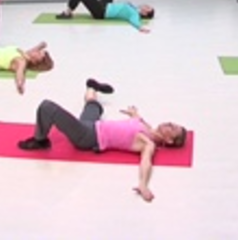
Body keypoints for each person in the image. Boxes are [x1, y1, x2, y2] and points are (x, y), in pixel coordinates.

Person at [18, 78, 188, 203]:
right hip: (93, 125)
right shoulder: (148, 127)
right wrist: (134, 114)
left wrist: (143, 185)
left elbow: (146, 162)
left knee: (47, 107)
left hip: (87, 136)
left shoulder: (148, 142)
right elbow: (137, 119)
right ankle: (93, 87)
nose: (169, 123)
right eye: (172, 123)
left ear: (169, 140)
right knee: (92, 104)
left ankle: (40, 140)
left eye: (172, 128)